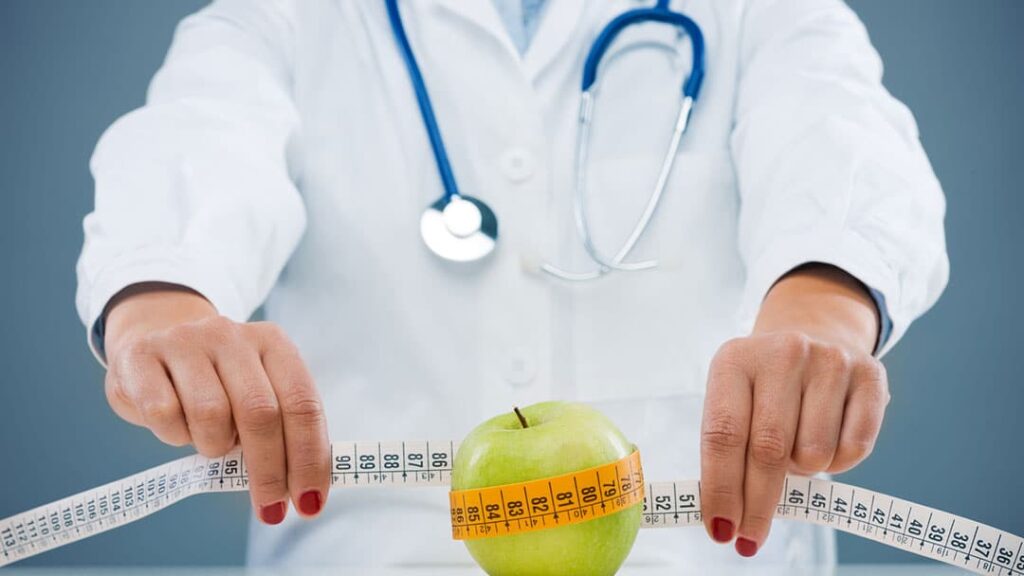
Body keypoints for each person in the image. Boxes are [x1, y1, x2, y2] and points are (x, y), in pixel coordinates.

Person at [76, 0, 948, 569]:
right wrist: (163, 300)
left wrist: (821, 303)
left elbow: (843, 136)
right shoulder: (282, 17)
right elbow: (196, 138)